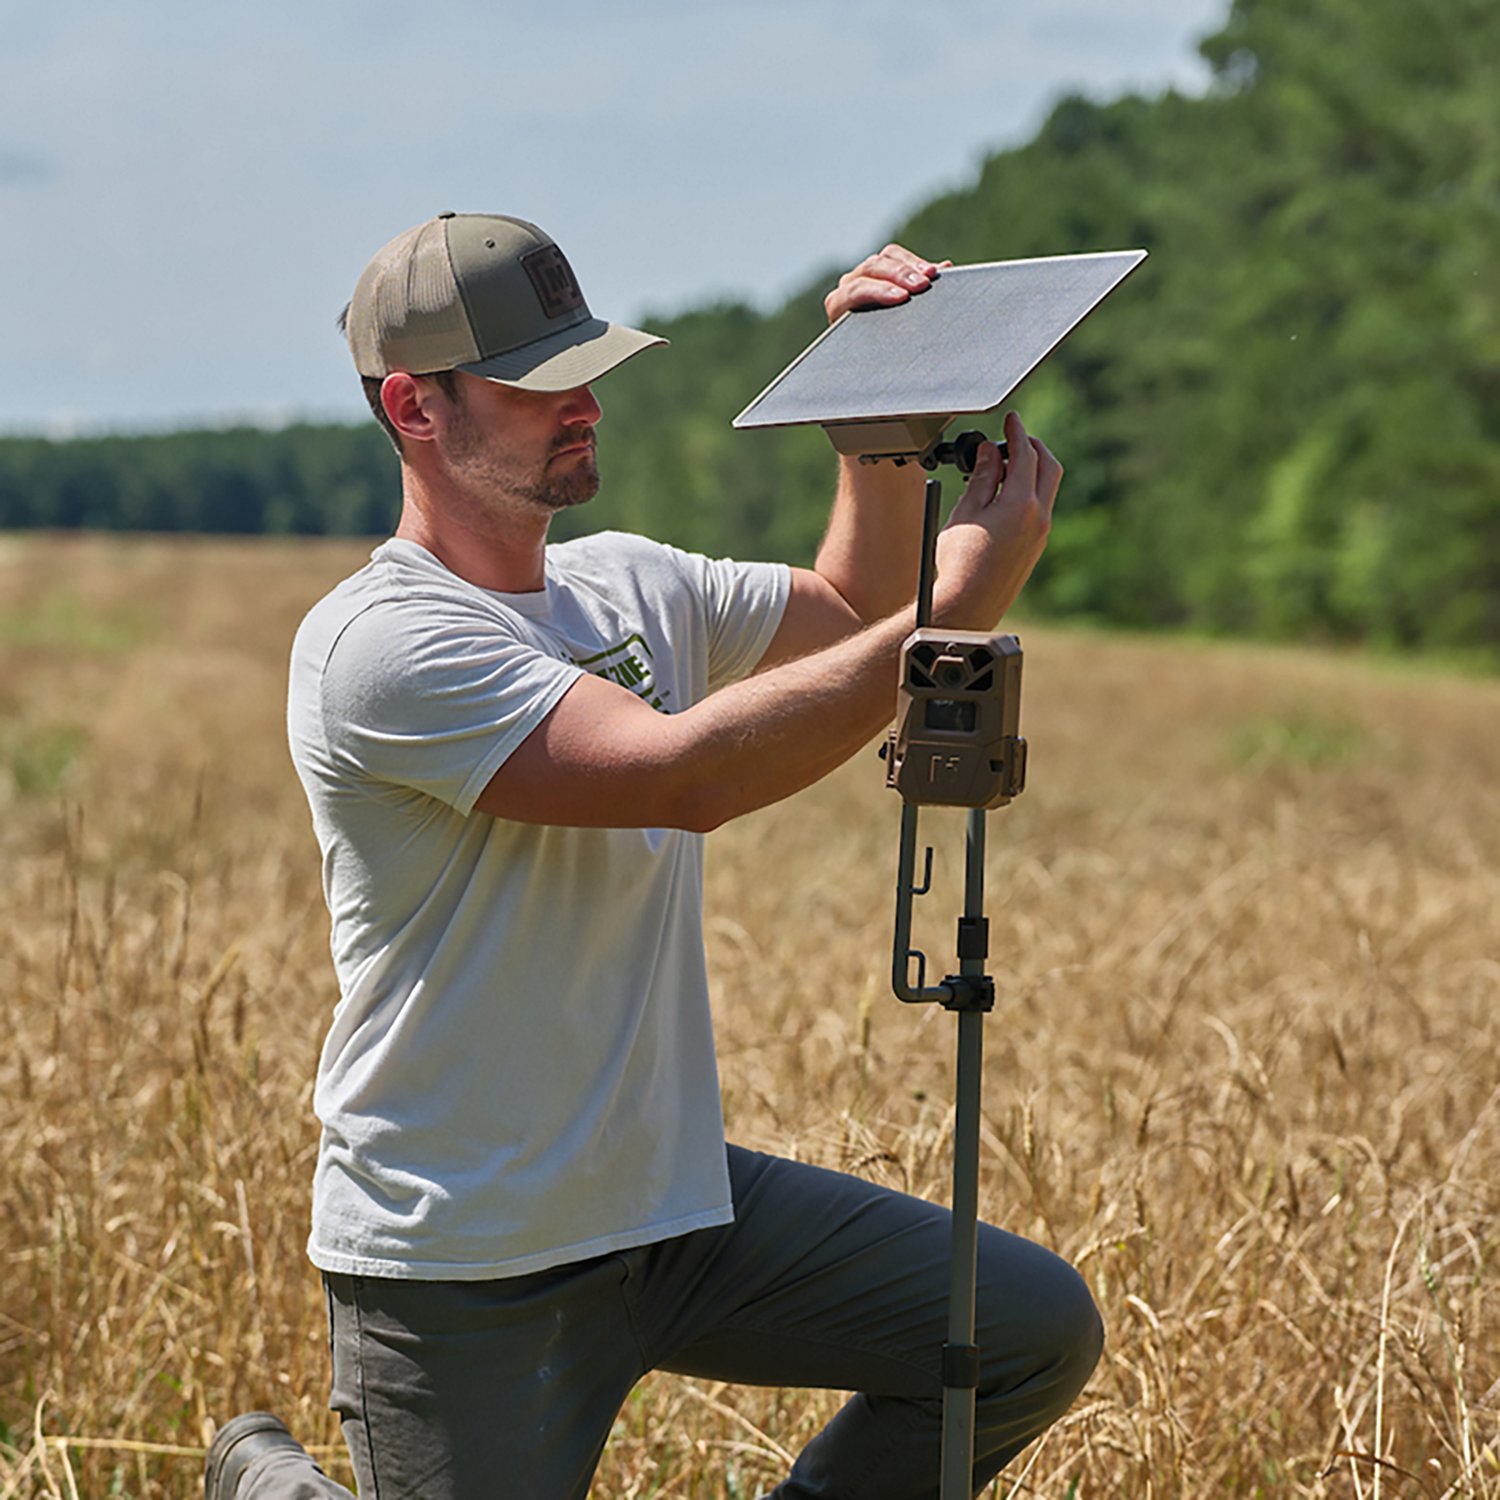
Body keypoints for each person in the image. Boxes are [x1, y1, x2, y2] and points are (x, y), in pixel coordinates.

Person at [206, 212, 1101, 1500]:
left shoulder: (626, 583)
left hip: (674, 1204)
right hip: (469, 1249)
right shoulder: (379, 644)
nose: (584, 405)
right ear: (414, 405)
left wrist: (879, 409)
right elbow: (679, 779)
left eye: (589, 368)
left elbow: (847, 612)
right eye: (539, 383)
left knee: (1021, 1333)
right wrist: (955, 603)